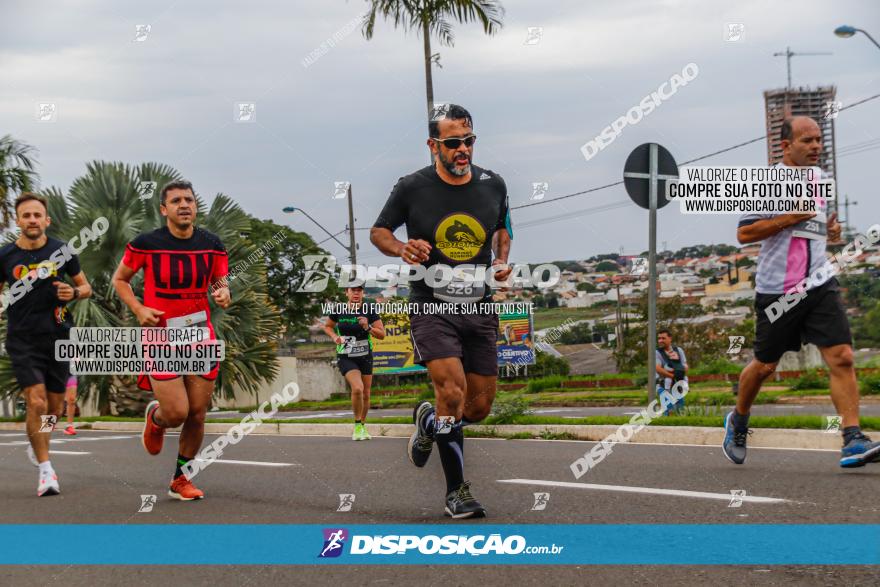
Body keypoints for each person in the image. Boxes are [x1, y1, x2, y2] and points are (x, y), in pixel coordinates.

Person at [370, 103, 512, 518]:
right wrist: (401, 247)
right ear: (434, 145)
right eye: (453, 142)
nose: (463, 148)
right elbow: (379, 231)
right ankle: (457, 492)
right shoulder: (412, 187)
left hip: (480, 306)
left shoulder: (494, 183)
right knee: (452, 392)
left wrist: (501, 260)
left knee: (479, 407)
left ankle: (429, 422)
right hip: (432, 306)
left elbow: (502, 227)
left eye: (469, 140)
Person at [724, 116, 880, 467]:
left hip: (818, 282)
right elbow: (745, 234)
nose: (815, 147)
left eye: (818, 140)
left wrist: (832, 230)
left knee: (842, 356)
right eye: (807, 141)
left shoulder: (823, 180)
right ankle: (739, 419)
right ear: (785, 146)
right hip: (778, 290)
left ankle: (852, 438)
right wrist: (789, 217)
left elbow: (821, 229)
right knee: (764, 366)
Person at [112, 180, 231, 500]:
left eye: (189, 200)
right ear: (164, 209)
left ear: (195, 207)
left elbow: (220, 281)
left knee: (197, 412)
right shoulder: (146, 243)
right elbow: (120, 279)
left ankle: (181, 479)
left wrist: (223, 292)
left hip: (199, 335)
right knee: (177, 412)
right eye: (176, 200)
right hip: (160, 335)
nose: (184, 205)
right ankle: (157, 418)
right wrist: (138, 308)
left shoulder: (212, 244)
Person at [0, 193, 93, 496]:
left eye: (37, 215)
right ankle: (45, 468)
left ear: (46, 220)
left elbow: (85, 287)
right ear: (18, 221)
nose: (32, 220)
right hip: (22, 339)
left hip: (59, 336)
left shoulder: (62, 251)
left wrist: (73, 293)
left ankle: (40, 444)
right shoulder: (5, 256)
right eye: (26, 215)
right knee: (36, 401)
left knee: (53, 408)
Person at [322, 285, 385, 440]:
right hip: (346, 355)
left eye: (359, 290)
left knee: (366, 394)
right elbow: (328, 326)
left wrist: (368, 327)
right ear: (347, 293)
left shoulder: (369, 310)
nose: (356, 293)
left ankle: (362, 426)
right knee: (357, 388)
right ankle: (357, 426)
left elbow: (382, 334)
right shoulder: (339, 309)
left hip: (365, 355)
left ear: (363, 293)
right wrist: (334, 337)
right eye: (353, 290)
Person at [656, 329, 687, 415]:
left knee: (680, 411)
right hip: (664, 386)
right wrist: (672, 375)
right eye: (659, 338)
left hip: (678, 386)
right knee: (669, 412)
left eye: (663, 338)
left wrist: (681, 371)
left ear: (670, 338)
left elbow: (685, 366)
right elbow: (658, 368)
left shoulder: (678, 350)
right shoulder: (657, 353)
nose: (660, 341)